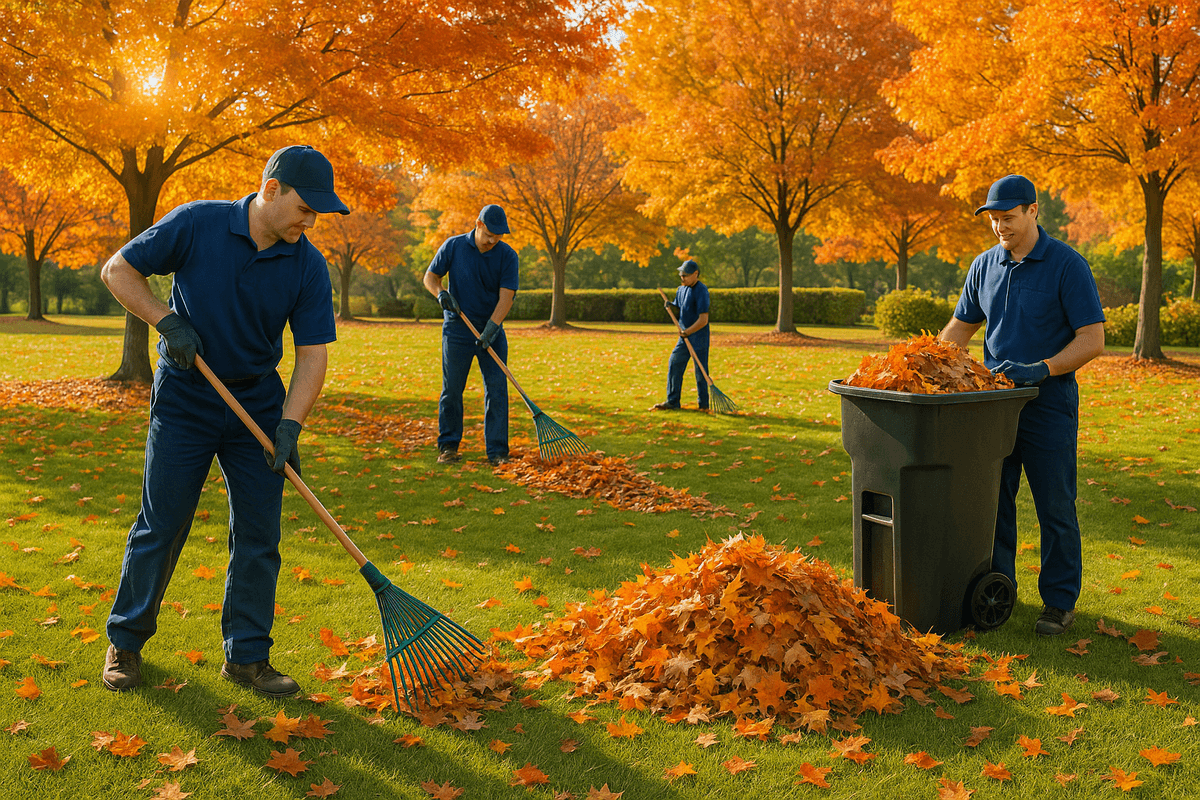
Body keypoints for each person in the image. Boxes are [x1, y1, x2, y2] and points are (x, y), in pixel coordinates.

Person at [99, 144, 348, 696]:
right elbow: (118, 270)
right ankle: (126, 642)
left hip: (258, 402)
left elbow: (312, 355)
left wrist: (290, 425)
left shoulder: (306, 262)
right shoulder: (198, 222)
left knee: (259, 534)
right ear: (272, 188)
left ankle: (247, 658)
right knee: (162, 525)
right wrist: (167, 321)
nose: (310, 222)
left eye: (317, 215)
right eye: (306, 208)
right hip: (186, 397)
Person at [938, 174, 1105, 637]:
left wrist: (1045, 367)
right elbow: (959, 328)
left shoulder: (1067, 265)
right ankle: (997, 588)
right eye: (993, 220)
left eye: (1008, 218)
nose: (999, 228)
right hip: (994, 407)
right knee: (994, 502)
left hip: (1048, 404)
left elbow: (1093, 340)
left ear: (1034, 210)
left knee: (1055, 505)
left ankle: (1058, 602)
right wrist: (928, 362)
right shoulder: (984, 265)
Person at [423, 204, 519, 466]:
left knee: (497, 391)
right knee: (452, 390)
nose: (492, 241)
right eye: (488, 234)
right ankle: (448, 447)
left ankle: (498, 452)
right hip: (457, 329)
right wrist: (441, 293)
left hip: (492, 330)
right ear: (478, 224)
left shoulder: (507, 256)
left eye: (497, 237)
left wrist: (492, 327)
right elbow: (430, 278)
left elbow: (506, 296)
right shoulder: (453, 246)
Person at [652, 259, 711, 411]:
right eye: (681, 275)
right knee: (674, 363)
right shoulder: (681, 289)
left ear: (695, 274)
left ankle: (703, 404)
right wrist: (670, 306)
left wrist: (688, 332)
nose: (682, 277)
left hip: (699, 336)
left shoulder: (701, 291)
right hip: (684, 337)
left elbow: (703, 320)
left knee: (700, 371)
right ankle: (672, 401)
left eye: (685, 275)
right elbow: (679, 308)